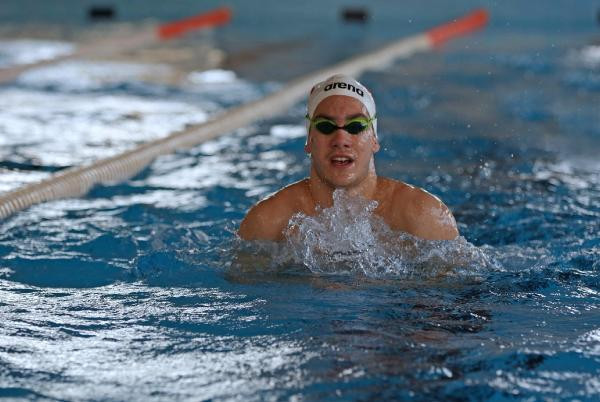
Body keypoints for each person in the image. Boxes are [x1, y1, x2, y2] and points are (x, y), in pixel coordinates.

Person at [238, 74, 459, 241]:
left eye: (356, 126)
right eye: (325, 126)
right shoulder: (267, 222)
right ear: (309, 140)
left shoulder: (423, 216)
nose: (341, 139)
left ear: (374, 139)